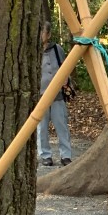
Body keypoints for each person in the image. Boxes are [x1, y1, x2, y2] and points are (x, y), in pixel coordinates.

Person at [37, 21, 73, 167]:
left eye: (43, 32)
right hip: (40, 95)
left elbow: (65, 66)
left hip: (57, 94)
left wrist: (66, 78)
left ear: (48, 34)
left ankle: (66, 155)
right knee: (41, 127)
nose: (40, 35)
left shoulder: (57, 49)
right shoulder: (32, 51)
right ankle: (45, 155)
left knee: (61, 125)